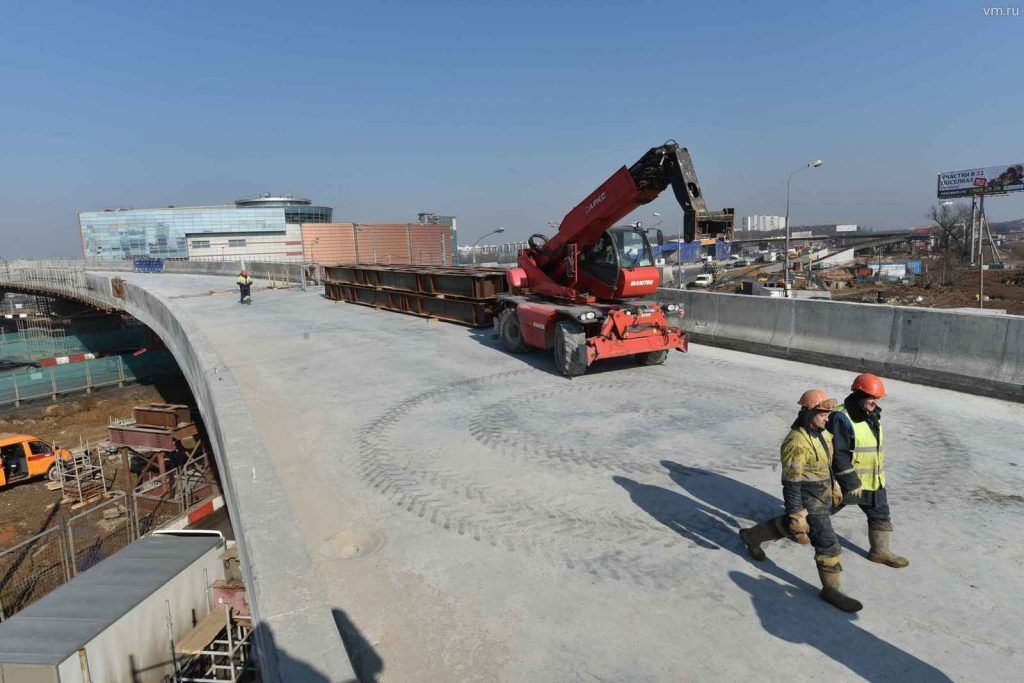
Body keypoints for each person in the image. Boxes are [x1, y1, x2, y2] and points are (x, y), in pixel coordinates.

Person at [739, 389, 862, 613]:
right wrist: (797, 512)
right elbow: (791, 483)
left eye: (828, 413)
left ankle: (752, 536)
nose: (828, 418)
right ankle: (831, 590)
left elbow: (827, 465)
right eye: (823, 413)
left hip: (822, 495)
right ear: (809, 413)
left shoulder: (823, 434)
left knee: (791, 524)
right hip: (808, 500)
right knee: (827, 542)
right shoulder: (796, 442)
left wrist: (835, 487)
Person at [828, 373, 909, 569]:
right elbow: (838, 454)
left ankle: (880, 552)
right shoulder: (841, 417)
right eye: (872, 397)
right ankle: (764, 533)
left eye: (878, 398)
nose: (876, 402)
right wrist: (849, 482)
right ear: (858, 395)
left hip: (873, 481)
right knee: (816, 513)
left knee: (881, 514)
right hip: (850, 483)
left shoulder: (871, 414)